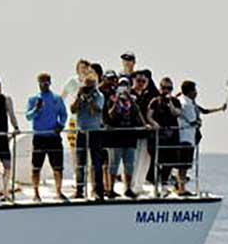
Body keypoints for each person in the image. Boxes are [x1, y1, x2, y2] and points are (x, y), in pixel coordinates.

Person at [176, 80, 228, 196]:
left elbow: (203, 111)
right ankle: (181, 188)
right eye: (195, 90)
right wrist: (199, 122)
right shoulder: (187, 104)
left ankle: (181, 187)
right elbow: (193, 121)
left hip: (188, 137)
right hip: (185, 137)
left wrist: (219, 109)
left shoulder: (189, 102)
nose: (196, 92)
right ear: (190, 91)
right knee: (183, 165)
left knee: (184, 165)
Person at [25, 72, 68, 202]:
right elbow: (28, 116)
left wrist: (60, 125)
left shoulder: (56, 98)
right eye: (41, 82)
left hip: (53, 137)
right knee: (36, 167)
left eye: (46, 82)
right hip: (39, 137)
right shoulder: (33, 99)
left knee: (57, 167)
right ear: (38, 83)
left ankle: (59, 192)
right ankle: (36, 194)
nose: (44, 84)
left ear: (50, 82)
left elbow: (63, 114)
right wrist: (36, 109)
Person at [104, 83, 148, 199]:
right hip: (116, 139)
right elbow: (110, 116)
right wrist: (116, 102)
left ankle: (128, 188)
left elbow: (138, 115)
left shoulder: (133, 102)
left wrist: (145, 125)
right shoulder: (112, 100)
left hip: (130, 138)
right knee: (113, 164)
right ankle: (110, 189)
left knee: (129, 165)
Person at [70, 72, 106, 200]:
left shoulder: (99, 96)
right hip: (81, 133)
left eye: (90, 87)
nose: (88, 89)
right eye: (86, 86)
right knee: (80, 163)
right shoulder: (80, 96)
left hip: (95, 133)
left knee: (96, 163)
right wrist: (79, 97)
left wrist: (90, 99)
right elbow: (73, 110)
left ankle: (98, 191)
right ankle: (79, 189)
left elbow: (96, 111)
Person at [146, 77, 182, 195]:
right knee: (155, 161)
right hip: (157, 137)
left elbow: (177, 113)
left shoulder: (175, 101)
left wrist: (170, 102)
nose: (166, 90)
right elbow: (149, 115)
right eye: (164, 88)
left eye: (169, 88)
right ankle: (154, 184)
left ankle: (164, 183)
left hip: (171, 137)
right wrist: (154, 123)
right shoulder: (155, 101)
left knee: (169, 161)